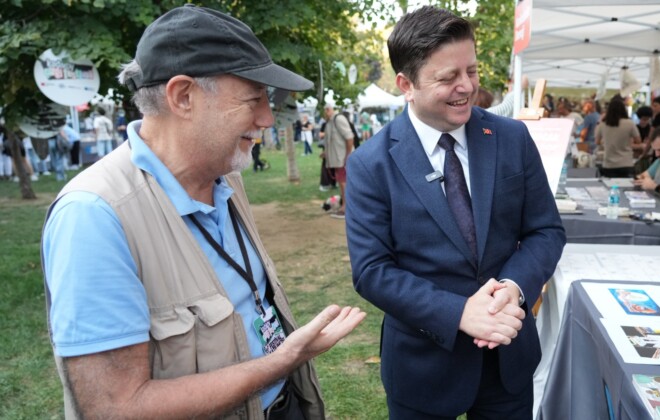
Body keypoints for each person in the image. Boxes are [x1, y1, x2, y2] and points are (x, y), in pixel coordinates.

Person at [41, 5, 365, 419]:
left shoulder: (225, 174)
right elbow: (115, 408)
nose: (267, 118)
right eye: (254, 98)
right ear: (183, 96)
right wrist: (282, 361)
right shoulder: (93, 217)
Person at [344, 6, 566, 419]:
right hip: (422, 368)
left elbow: (546, 231)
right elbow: (372, 270)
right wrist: (459, 313)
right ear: (405, 84)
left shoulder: (511, 138)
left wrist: (513, 289)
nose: (466, 87)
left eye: (472, 71)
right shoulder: (370, 164)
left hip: (507, 361)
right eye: (447, 78)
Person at [322, 104, 354, 219]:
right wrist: (326, 153)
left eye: (328, 109)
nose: (326, 111)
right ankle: (344, 206)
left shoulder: (338, 119)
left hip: (342, 159)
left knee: (344, 183)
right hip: (337, 159)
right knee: (341, 183)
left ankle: (346, 208)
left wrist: (348, 155)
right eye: (325, 109)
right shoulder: (329, 122)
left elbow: (349, 137)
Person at [595, 98, 641, 178]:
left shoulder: (602, 125)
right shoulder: (630, 124)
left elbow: (597, 142)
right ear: (623, 109)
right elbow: (638, 141)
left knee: (610, 188)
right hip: (626, 163)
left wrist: (606, 141)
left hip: (609, 164)